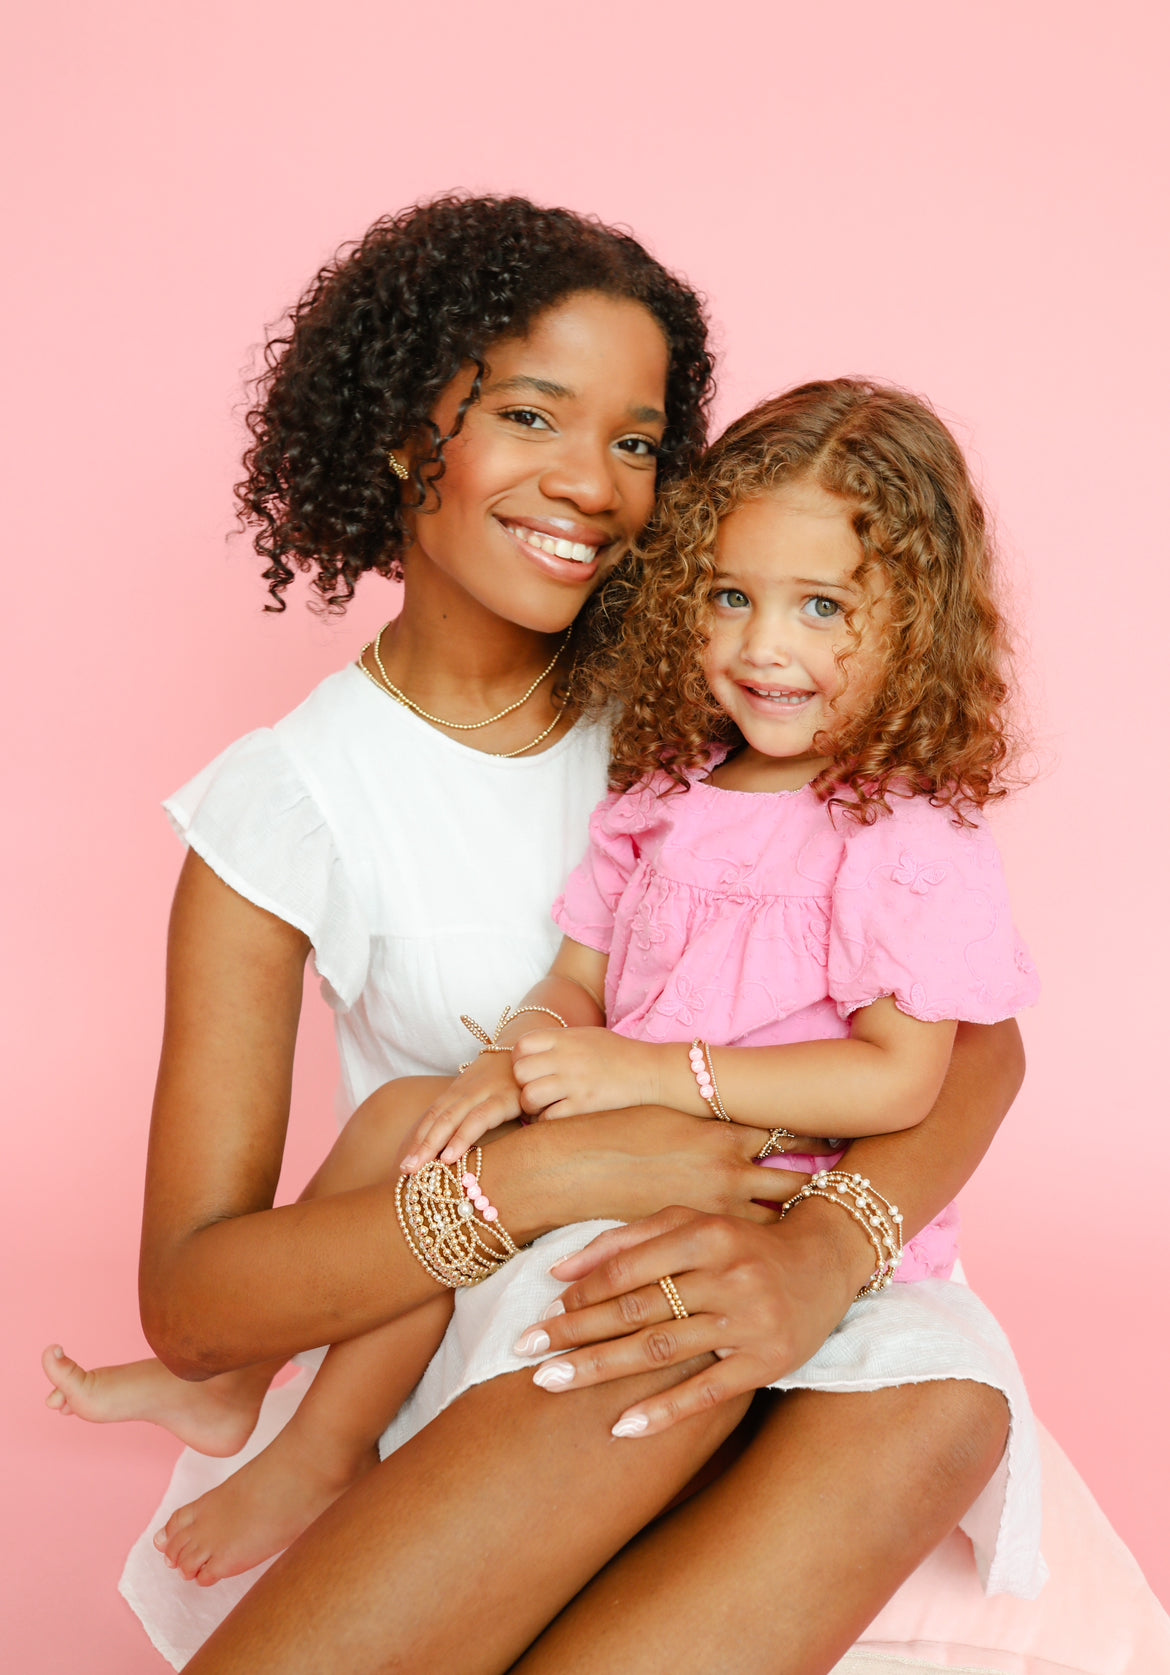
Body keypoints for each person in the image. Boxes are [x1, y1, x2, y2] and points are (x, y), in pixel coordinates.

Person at [42, 196, 1036, 1672]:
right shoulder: (293, 804)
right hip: (523, 1295)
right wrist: (559, 1163)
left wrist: (828, 1249)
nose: (590, 483)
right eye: (528, 414)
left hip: (798, 1269)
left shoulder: (713, 703)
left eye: (636, 443)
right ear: (397, 433)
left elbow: (976, 1050)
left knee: (932, 1408)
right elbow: (194, 1306)